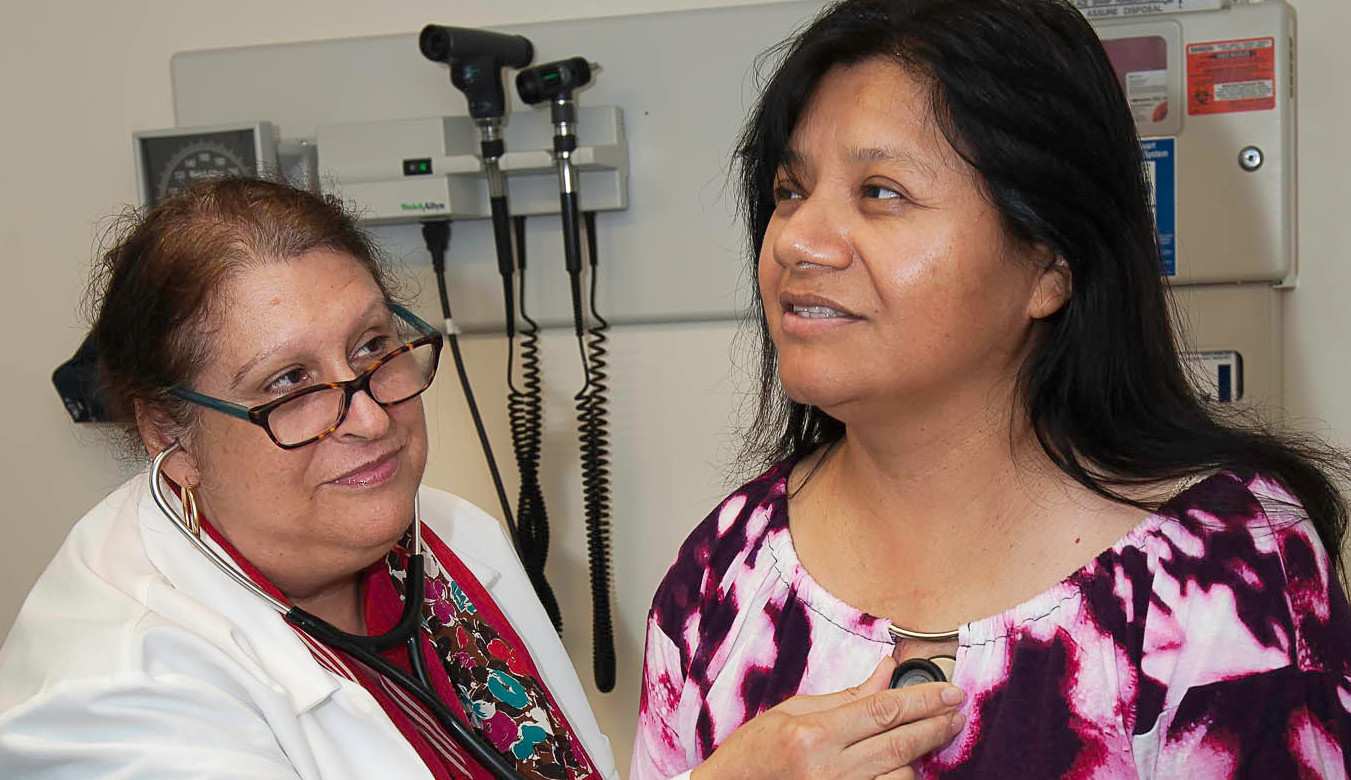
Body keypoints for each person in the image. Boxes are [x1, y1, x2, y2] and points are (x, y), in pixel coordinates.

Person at [0, 178, 962, 779]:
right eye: (288, 385)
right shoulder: (112, 698)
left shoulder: (445, 539)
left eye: (373, 348)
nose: (370, 415)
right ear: (168, 427)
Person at [632, 0, 1351, 778]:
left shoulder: (1219, 570)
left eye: (881, 191)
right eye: (788, 190)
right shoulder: (724, 571)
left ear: (1048, 263)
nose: (797, 240)